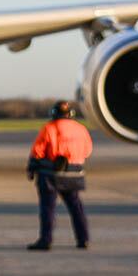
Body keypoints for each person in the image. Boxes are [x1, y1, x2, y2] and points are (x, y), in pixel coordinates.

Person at [26, 100, 92, 250]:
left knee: (48, 208)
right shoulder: (80, 129)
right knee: (76, 207)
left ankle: (46, 240)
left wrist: (31, 167)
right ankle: (83, 239)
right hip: (74, 175)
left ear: (54, 113)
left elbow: (38, 151)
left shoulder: (49, 128)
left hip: (51, 174)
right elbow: (87, 150)